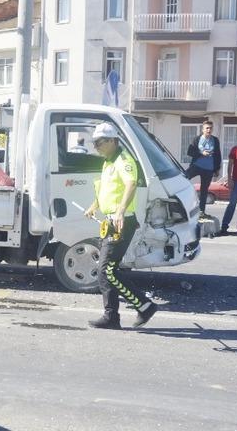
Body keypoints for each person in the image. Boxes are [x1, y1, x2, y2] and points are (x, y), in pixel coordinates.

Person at [84, 122, 158, 330]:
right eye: (94, 142)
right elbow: (107, 189)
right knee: (109, 270)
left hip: (121, 221)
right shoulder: (109, 161)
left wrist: (120, 211)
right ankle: (123, 313)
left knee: (106, 270)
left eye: (99, 142)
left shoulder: (124, 160)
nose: (96, 146)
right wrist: (94, 205)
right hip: (111, 220)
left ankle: (140, 306)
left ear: (112, 141)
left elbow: (130, 184)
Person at [186, 121, 222, 218]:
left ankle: (201, 212)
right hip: (196, 166)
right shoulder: (197, 139)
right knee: (184, 178)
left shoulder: (215, 140)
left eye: (210, 128)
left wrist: (217, 168)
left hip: (208, 169)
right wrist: (202, 153)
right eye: (207, 128)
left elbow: (218, 154)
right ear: (203, 129)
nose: (209, 130)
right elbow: (190, 152)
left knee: (204, 191)